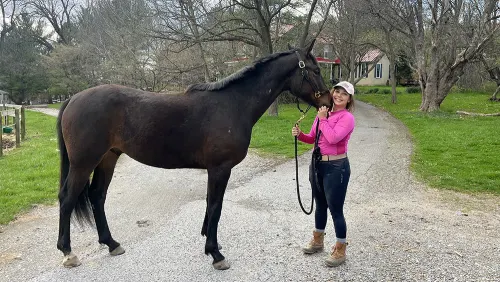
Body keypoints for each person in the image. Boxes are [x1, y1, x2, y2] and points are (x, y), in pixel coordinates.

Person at [291, 81, 355, 267]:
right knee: (320, 205)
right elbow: (313, 138)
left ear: (349, 99)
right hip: (317, 164)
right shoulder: (323, 114)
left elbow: (334, 138)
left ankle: (340, 249)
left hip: (336, 167)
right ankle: (318, 240)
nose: (339, 96)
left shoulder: (347, 118)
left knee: (336, 210)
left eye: (344, 94)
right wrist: (300, 134)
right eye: (337, 91)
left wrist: (323, 118)